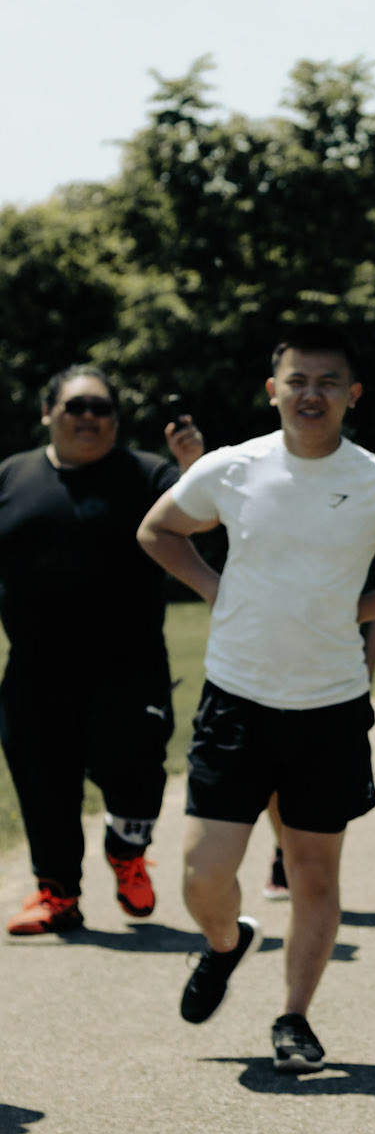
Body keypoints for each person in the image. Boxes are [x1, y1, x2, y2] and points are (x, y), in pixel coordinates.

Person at [137, 325, 375, 1073]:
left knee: (312, 872)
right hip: (237, 699)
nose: (311, 394)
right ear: (273, 390)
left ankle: (294, 1017)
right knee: (202, 875)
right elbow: (159, 531)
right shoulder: (231, 468)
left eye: (327, 382)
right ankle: (226, 942)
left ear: (353, 395)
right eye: (297, 380)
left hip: (329, 707)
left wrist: (360, 607)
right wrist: (216, 590)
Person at [1, 367, 204, 935]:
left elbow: (203, 522)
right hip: (35, 671)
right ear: (48, 411)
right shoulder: (11, 477)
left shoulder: (148, 474)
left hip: (129, 670)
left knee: (136, 775)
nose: (89, 417)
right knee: (43, 782)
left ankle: (127, 852)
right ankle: (57, 893)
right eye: (77, 407)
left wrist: (194, 469)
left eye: (101, 408)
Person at [259, 541, 375, 900]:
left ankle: (308, 865)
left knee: (323, 780)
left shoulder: (369, 520)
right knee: (271, 773)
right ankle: (285, 851)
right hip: (272, 659)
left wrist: (366, 676)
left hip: (337, 672)